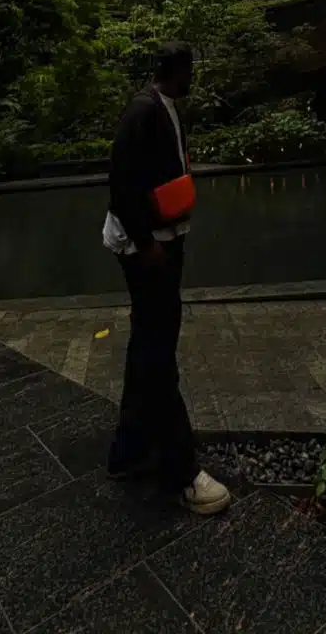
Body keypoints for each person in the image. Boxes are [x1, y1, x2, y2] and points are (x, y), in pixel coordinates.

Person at [102, 41, 231, 515]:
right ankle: (182, 471)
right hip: (147, 249)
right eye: (189, 70)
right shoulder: (142, 111)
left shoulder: (167, 108)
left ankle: (129, 450)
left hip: (163, 242)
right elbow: (121, 184)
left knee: (148, 346)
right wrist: (147, 243)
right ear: (175, 70)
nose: (193, 77)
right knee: (158, 352)